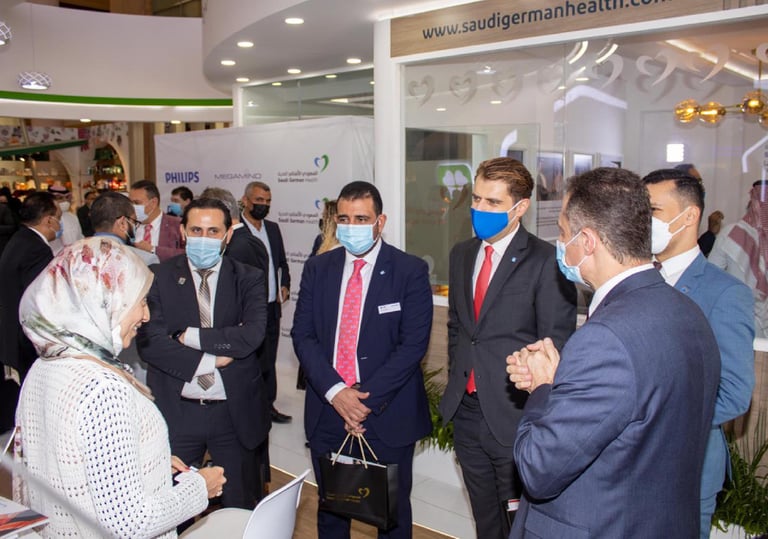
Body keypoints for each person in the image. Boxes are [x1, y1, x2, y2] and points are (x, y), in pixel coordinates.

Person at [506, 167, 720, 538]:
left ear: (587, 241)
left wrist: (543, 387)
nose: (560, 243)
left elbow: (538, 469)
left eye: (563, 233)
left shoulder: (604, 339)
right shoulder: (688, 311)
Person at [14, 237, 226, 539]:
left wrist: (144, 461)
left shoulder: (45, 366)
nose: (146, 315)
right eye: (140, 302)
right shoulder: (103, 390)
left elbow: (67, 458)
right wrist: (200, 488)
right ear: (103, 301)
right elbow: (130, 525)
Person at [438, 157, 577, 539]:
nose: (480, 209)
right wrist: (458, 379)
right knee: (485, 520)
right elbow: (459, 328)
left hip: (515, 416)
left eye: (493, 202)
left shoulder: (547, 261)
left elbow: (555, 343)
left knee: (521, 525)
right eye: (476, 199)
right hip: (467, 413)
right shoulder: (462, 253)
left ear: (520, 207)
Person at [292, 180, 433, 539]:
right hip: (328, 409)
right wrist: (337, 393)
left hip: (387, 412)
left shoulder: (409, 270)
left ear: (380, 222)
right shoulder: (318, 268)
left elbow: (413, 346)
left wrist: (362, 402)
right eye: (344, 219)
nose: (351, 227)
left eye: (361, 219)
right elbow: (303, 336)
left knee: (391, 516)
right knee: (332, 510)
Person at [136, 198, 270, 510]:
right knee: (173, 511)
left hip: (233, 414)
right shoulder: (158, 277)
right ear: (183, 232)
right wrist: (211, 359)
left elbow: (251, 336)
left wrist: (187, 336)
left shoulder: (249, 277)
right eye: (196, 230)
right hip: (176, 414)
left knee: (239, 508)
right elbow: (151, 342)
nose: (204, 238)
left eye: (213, 231)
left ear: (228, 235)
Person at [643, 169, 754, 538]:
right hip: (627, 468)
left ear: (689, 216)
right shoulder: (633, 279)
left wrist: (646, 417)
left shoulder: (725, 294)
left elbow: (734, 393)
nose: (643, 220)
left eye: (652, 210)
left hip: (684, 469)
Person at [200, 186, 271, 500]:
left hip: (236, 370)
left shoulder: (239, 249)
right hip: (226, 375)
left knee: (242, 470)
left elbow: (244, 326)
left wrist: (196, 338)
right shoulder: (250, 241)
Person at [241, 181, 292, 424]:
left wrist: (285, 284)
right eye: (259, 200)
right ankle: (250, 407)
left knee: (269, 360)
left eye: (268, 201)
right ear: (246, 201)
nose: (264, 205)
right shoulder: (236, 231)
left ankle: (268, 406)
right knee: (250, 361)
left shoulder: (272, 228)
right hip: (248, 310)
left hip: (272, 307)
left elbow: (282, 262)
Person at [0, 192, 60, 380]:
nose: (60, 224)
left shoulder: (21, 239)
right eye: (58, 218)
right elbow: (41, 297)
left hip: (13, 331)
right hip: (26, 337)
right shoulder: (37, 249)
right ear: (49, 220)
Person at [709, 180, 768, 338]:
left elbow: (712, 271)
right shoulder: (733, 232)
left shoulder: (730, 232)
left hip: (733, 314)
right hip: (749, 317)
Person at [90, 191, 160, 266]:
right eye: (134, 222)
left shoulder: (80, 251)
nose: (135, 226)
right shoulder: (145, 260)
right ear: (122, 223)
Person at [129, 179, 184, 262]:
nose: (132, 207)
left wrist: (153, 249)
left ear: (153, 203)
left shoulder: (178, 225)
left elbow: (188, 254)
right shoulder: (127, 226)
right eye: (130, 203)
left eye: (137, 203)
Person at [48, 184, 83, 254]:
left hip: (74, 255)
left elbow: (80, 237)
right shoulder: (46, 219)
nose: (65, 201)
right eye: (60, 198)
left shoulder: (73, 217)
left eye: (67, 197)